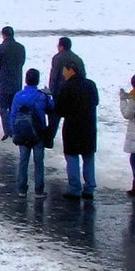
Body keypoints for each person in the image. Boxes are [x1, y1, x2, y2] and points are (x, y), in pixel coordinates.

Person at [48, 62, 98, 198]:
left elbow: (60, 110)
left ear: (72, 71)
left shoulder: (67, 87)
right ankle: (89, 188)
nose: (63, 74)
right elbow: (96, 102)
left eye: (65, 70)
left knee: (72, 158)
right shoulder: (90, 84)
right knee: (88, 157)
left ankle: (75, 189)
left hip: (72, 129)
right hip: (89, 128)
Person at [9, 69, 52, 194]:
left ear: (26, 80)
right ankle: (39, 190)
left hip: (22, 132)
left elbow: (12, 114)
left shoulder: (18, 96)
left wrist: (14, 131)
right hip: (38, 133)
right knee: (39, 163)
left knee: (23, 161)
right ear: (37, 80)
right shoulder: (41, 96)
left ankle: (22, 188)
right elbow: (51, 108)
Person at [0, 27, 26, 140]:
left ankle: (8, 130)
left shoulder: (1, 47)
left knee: (2, 107)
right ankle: (14, 129)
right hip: (16, 82)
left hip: (4, 82)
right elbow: (22, 62)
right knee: (13, 107)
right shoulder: (21, 48)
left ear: (3, 35)